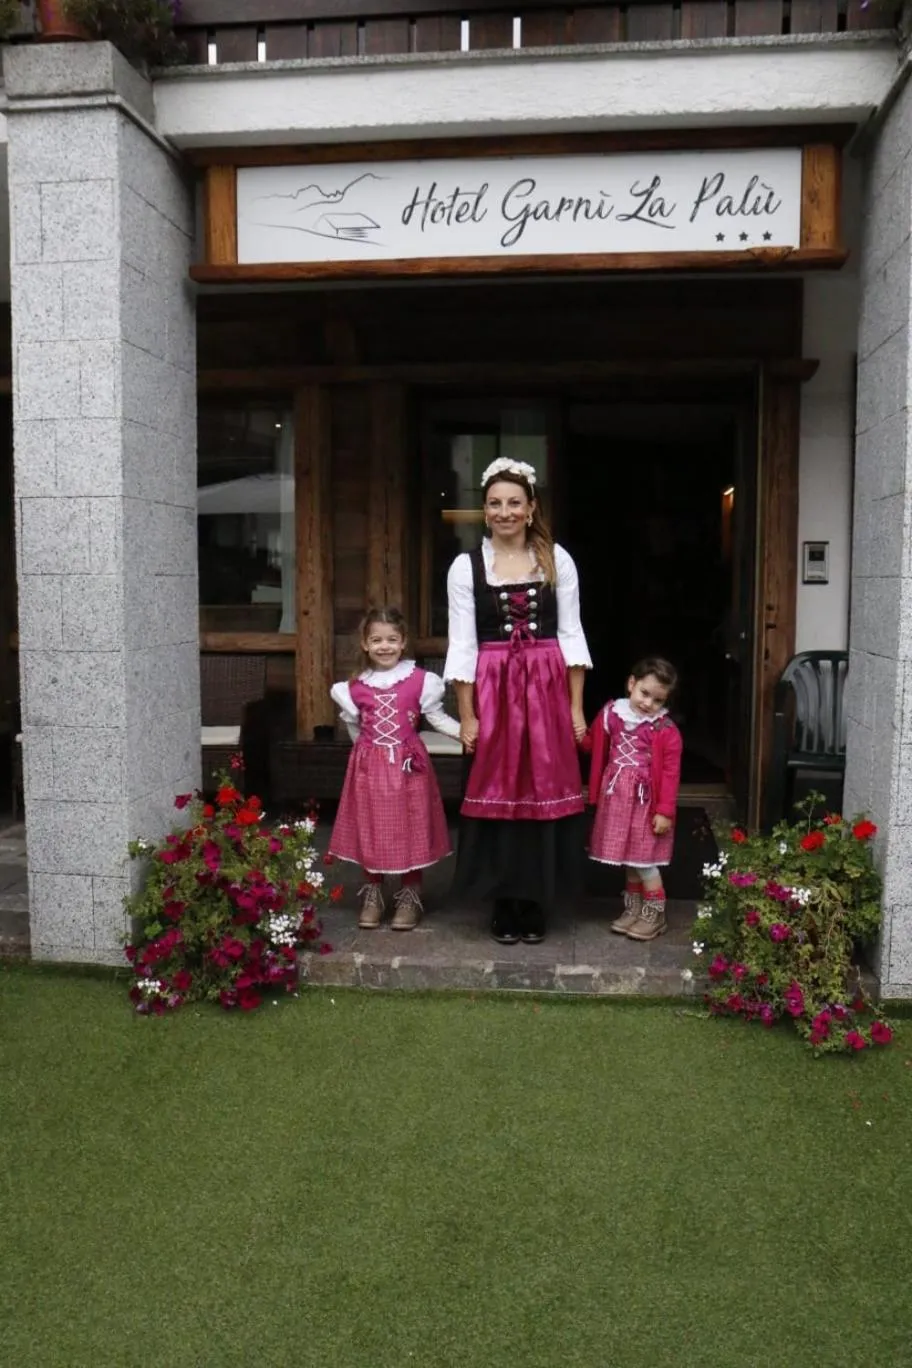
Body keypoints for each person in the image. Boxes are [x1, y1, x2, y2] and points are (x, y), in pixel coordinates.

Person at [444, 458, 591, 946]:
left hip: (546, 687)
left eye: (514, 503)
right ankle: (503, 901)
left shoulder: (557, 559)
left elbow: (571, 635)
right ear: (484, 512)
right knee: (497, 790)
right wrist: (467, 716)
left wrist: (575, 709)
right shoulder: (465, 566)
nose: (504, 511)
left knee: (541, 788)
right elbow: (462, 644)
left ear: (531, 509)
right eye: (495, 504)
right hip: (493, 688)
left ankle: (536, 901)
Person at [328, 607, 460, 931]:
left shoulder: (420, 681)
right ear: (365, 644)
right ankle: (373, 893)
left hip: (408, 765)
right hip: (370, 766)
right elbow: (355, 728)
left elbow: (437, 717)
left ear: (403, 643)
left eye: (391, 639)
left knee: (410, 826)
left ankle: (409, 895)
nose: (384, 646)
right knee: (370, 826)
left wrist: (468, 733)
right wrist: (366, 754)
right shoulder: (353, 687)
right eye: (377, 640)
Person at [582, 657, 683, 942]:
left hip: (645, 802)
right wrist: (574, 731)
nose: (648, 702)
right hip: (616, 797)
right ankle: (634, 909)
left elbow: (671, 773)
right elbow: (592, 741)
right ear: (631, 684)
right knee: (628, 856)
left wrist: (664, 811)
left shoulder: (665, 729)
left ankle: (655, 913)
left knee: (644, 858)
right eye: (644, 693)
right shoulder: (612, 713)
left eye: (657, 699)